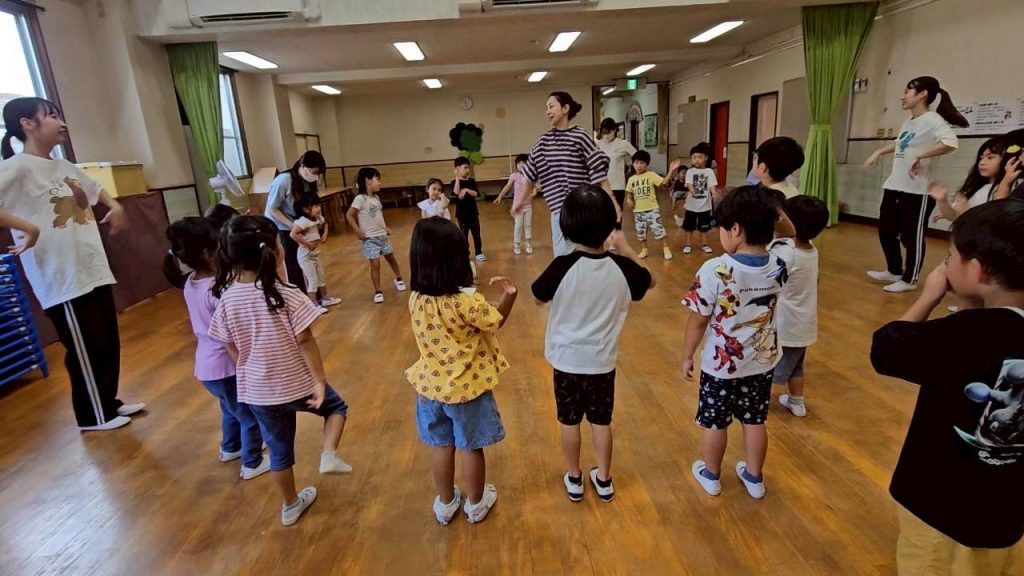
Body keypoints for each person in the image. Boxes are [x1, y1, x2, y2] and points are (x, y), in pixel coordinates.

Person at [870, 200, 1024, 574]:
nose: (945, 266)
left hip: (939, 503)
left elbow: (887, 350)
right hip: (1010, 507)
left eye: (950, 257)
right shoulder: (976, 330)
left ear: (979, 269)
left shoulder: (961, 335)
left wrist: (928, 297)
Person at [0, 97, 142, 432]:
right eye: (51, 116)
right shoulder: (17, 166)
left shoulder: (63, 165)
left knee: (106, 341)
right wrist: (28, 228)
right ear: (27, 124)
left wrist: (115, 206)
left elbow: (95, 190)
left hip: (91, 267)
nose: (61, 122)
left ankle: (107, 402)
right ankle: (92, 416)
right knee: (84, 347)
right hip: (61, 277)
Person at [209, 215, 352, 527]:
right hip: (297, 383)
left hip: (259, 392)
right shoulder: (285, 292)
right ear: (274, 250)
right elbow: (305, 339)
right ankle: (328, 453)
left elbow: (228, 343)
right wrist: (319, 381)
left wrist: (247, 366)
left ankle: (290, 506)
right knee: (336, 408)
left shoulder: (227, 298)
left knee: (278, 451)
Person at [532, 185, 654, 503]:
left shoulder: (562, 265)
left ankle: (574, 478)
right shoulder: (623, 269)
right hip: (601, 364)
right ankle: (604, 479)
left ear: (567, 226)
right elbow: (650, 280)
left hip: (565, 362)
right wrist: (625, 248)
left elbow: (538, 295)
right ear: (609, 226)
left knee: (569, 422)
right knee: (601, 422)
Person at [681, 185, 795, 500]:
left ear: (735, 230)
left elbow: (698, 320)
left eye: (721, 227)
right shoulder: (781, 263)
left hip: (720, 367)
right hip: (761, 363)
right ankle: (755, 478)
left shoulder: (715, 269)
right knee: (755, 421)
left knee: (715, 423)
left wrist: (687, 355)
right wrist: (770, 207)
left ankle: (712, 475)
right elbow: (790, 232)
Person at [404, 217, 517, 525]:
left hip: (430, 388)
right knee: (470, 446)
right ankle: (476, 504)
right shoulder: (465, 302)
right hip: (467, 390)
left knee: (441, 445)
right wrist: (509, 294)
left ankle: (445, 503)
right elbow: (495, 321)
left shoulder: (416, 299)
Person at [162, 216, 269, 479]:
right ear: (209, 253)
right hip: (226, 366)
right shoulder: (217, 289)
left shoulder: (191, 282)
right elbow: (231, 333)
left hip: (207, 367)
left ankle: (231, 447)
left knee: (230, 409)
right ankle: (252, 462)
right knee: (249, 415)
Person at [863, 76, 969, 293]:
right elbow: (900, 143)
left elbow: (950, 143)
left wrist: (921, 155)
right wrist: (878, 152)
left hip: (918, 190)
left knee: (912, 237)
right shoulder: (909, 121)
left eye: (907, 92)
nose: (902, 97)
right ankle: (894, 270)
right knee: (886, 230)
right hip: (895, 185)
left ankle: (910, 279)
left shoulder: (933, 120)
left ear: (922, 94)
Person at [523, 92, 615, 256]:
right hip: (559, 210)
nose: (547, 111)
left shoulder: (580, 136)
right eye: (546, 108)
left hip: (583, 208)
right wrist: (520, 202)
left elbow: (599, 171)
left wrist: (613, 203)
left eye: (551, 106)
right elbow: (529, 173)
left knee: (588, 252)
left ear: (565, 108)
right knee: (562, 255)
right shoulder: (544, 141)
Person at [773, 196, 830, 418]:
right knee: (797, 364)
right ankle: (797, 401)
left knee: (769, 367)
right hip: (803, 323)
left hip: (783, 324)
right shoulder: (811, 250)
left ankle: (755, 401)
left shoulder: (785, 254)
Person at [264, 150, 326, 294]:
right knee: (293, 262)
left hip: (299, 223)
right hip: (281, 224)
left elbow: (311, 204)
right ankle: (300, 296)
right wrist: (292, 226)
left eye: (318, 173)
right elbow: (272, 208)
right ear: (302, 166)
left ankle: (316, 295)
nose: (316, 176)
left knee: (309, 260)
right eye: (314, 172)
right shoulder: (283, 180)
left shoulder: (308, 181)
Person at [346, 167, 407, 304]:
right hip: (370, 239)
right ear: (368, 181)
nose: (380, 182)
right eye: (377, 179)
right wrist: (357, 230)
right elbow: (349, 215)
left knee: (391, 258)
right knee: (375, 263)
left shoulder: (376, 198)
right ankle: (378, 291)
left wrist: (385, 228)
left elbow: (379, 216)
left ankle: (398, 278)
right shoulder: (360, 199)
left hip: (382, 236)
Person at [930, 136, 1011, 223]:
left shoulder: (1006, 191)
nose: (982, 162)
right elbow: (954, 216)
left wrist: (965, 213)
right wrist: (943, 201)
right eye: (981, 158)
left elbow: (991, 224)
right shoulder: (975, 187)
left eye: (990, 157)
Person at [625, 150, 680, 260]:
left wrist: (670, 171)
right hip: (638, 211)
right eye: (636, 163)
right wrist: (628, 200)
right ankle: (644, 250)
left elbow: (664, 183)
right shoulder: (631, 179)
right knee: (641, 232)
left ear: (647, 164)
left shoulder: (651, 175)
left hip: (652, 209)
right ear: (633, 164)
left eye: (642, 163)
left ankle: (666, 248)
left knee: (659, 230)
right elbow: (629, 194)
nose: (639, 166)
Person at [290, 196, 340, 312]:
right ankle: (313, 305)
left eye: (319, 205)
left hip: (315, 253)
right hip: (305, 255)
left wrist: (325, 234)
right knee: (312, 280)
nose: (319, 208)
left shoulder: (317, 218)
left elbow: (325, 223)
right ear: (306, 209)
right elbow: (293, 234)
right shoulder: (303, 221)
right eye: (316, 206)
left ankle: (325, 298)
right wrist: (307, 244)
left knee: (321, 277)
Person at [596, 117, 637, 229]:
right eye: (603, 132)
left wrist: (630, 166)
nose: (606, 135)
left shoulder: (623, 144)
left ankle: (617, 235)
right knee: (602, 216)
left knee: (617, 215)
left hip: (617, 186)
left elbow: (637, 156)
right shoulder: (598, 144)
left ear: (614, 130)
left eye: (608, 132)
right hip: (602, 185)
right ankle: (606, 237)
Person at [494, 153, 536, 255]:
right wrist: (500, 196)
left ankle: (528, 243)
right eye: (519, 163)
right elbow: (507, 187)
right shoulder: (514, 176)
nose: (521, 165)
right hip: (517, 207)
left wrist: (534, 193)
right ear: (516, 165)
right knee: (518, 225)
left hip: (528, 206)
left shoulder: (530, 176)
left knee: (528, 225)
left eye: (524, 163)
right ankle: (517, 244)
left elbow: (534, 188)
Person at [681, 142, 718, 255]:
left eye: (700, 157)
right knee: (689, 226)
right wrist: (692, 190)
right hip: (691, 205)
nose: (697, 160)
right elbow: (689, 184)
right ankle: (688, 244)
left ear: (706, 158)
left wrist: (714, 192)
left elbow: (712, 184)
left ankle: (705, 244)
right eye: (694, 157)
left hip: (705, 205)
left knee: (704, 227)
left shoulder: (709, 171)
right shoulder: (690, 171)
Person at [452, 157, 486, 262]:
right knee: (464, 235)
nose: (468, 170)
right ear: (457, 168)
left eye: (468, 168)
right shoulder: (454, 182)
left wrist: (466, 190)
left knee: (476, 234)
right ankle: (465, 253)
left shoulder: (471, 181)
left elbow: (476, 193)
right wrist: (457, 177)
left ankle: (478, 252)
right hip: (461, 215)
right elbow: (456, 192)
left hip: (473, 213)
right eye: (465, 168)